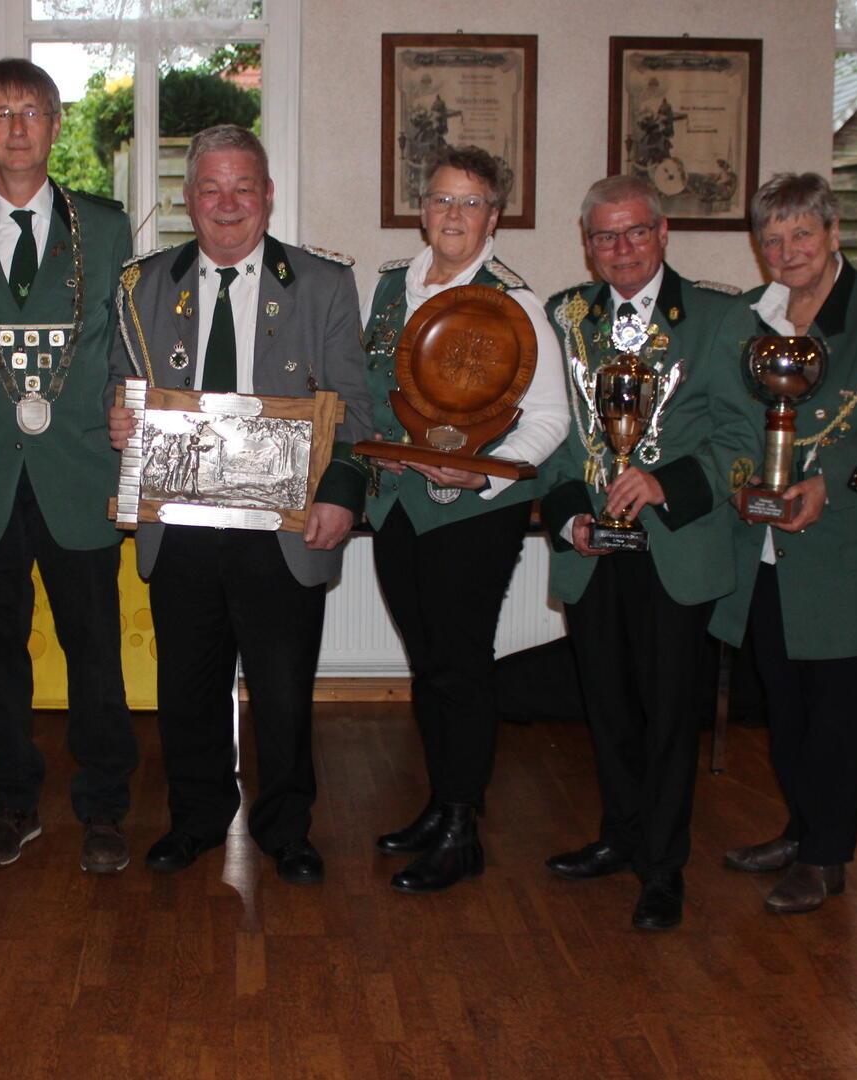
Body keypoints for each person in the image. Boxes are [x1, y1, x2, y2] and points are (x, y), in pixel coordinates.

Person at [108, 124, 371, 885]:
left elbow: (355, 405)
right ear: (187, 199)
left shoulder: (321, 284)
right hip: (180, 522)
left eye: (243, 189)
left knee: (284, 690)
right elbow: (121, 382)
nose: (228, 205)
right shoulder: (143, 286)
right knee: (187, 687)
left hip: (284, 532)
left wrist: (341, 496)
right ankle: (194, 820)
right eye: (212, 189)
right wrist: (117, 415)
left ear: (268, 196)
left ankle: (287, 828)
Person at [0, 59, 139, 875]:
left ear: (55, 124)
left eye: (33, 111)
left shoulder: (106, 229)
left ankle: (105, 805)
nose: (16, 126)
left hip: (77, 470)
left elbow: (126, 347)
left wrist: (130, 409)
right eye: (0, 112)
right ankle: (14, 802)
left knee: (94, 647)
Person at [711, 173, 857, 914]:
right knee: (783, 702)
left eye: (802, 234)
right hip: (769, 548)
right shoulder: (753, 319)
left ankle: (826, 855)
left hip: (848, 546)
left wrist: (833, 484)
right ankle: (801, 828)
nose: (788, 251)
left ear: (833, 231)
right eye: (772, 239)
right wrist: (740, 482)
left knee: (837, 709)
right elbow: (726, 417)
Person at [536, 175, 758, 929]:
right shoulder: (562, 317)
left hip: (676, 545)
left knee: (668, 716)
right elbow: (552, 441)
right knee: (607, 708)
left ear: (663, 234)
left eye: (635, 232)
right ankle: (620, 837)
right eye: (605, 236)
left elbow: (744, 441)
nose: (621, 248)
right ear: (587, 244)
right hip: (593, 547)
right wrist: (569, 519)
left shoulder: (721, 317)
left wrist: (666, 487)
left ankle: (664, 867)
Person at [363, 145, 569, 894]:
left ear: (495, 216)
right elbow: (376, 390)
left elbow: (549, 420)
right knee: (428, 664)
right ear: (424, 208)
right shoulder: (392, 287)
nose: (454, 215)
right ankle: (440, 802)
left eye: (471, 202)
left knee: (461, 664)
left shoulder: (518, 302)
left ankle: (463, 829)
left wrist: (482, 474)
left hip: (478, 512)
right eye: (442, 200)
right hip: (399, 506)